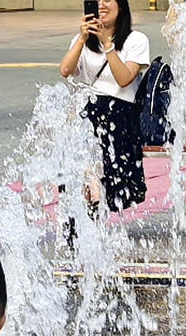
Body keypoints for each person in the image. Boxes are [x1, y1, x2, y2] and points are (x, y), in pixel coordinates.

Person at [58, 0, 150, 212]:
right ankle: (86, 201)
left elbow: (124, 78)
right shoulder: (82, 40)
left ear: (121, 6)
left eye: (108, 0)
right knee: (72, 136)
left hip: (121, 114)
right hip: (90, 112)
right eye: (96, 0)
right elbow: (65, 70)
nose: (101, 5)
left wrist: (107, 44)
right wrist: (82, 38)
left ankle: (95, 196)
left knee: (91, 126)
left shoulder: (136, 40)